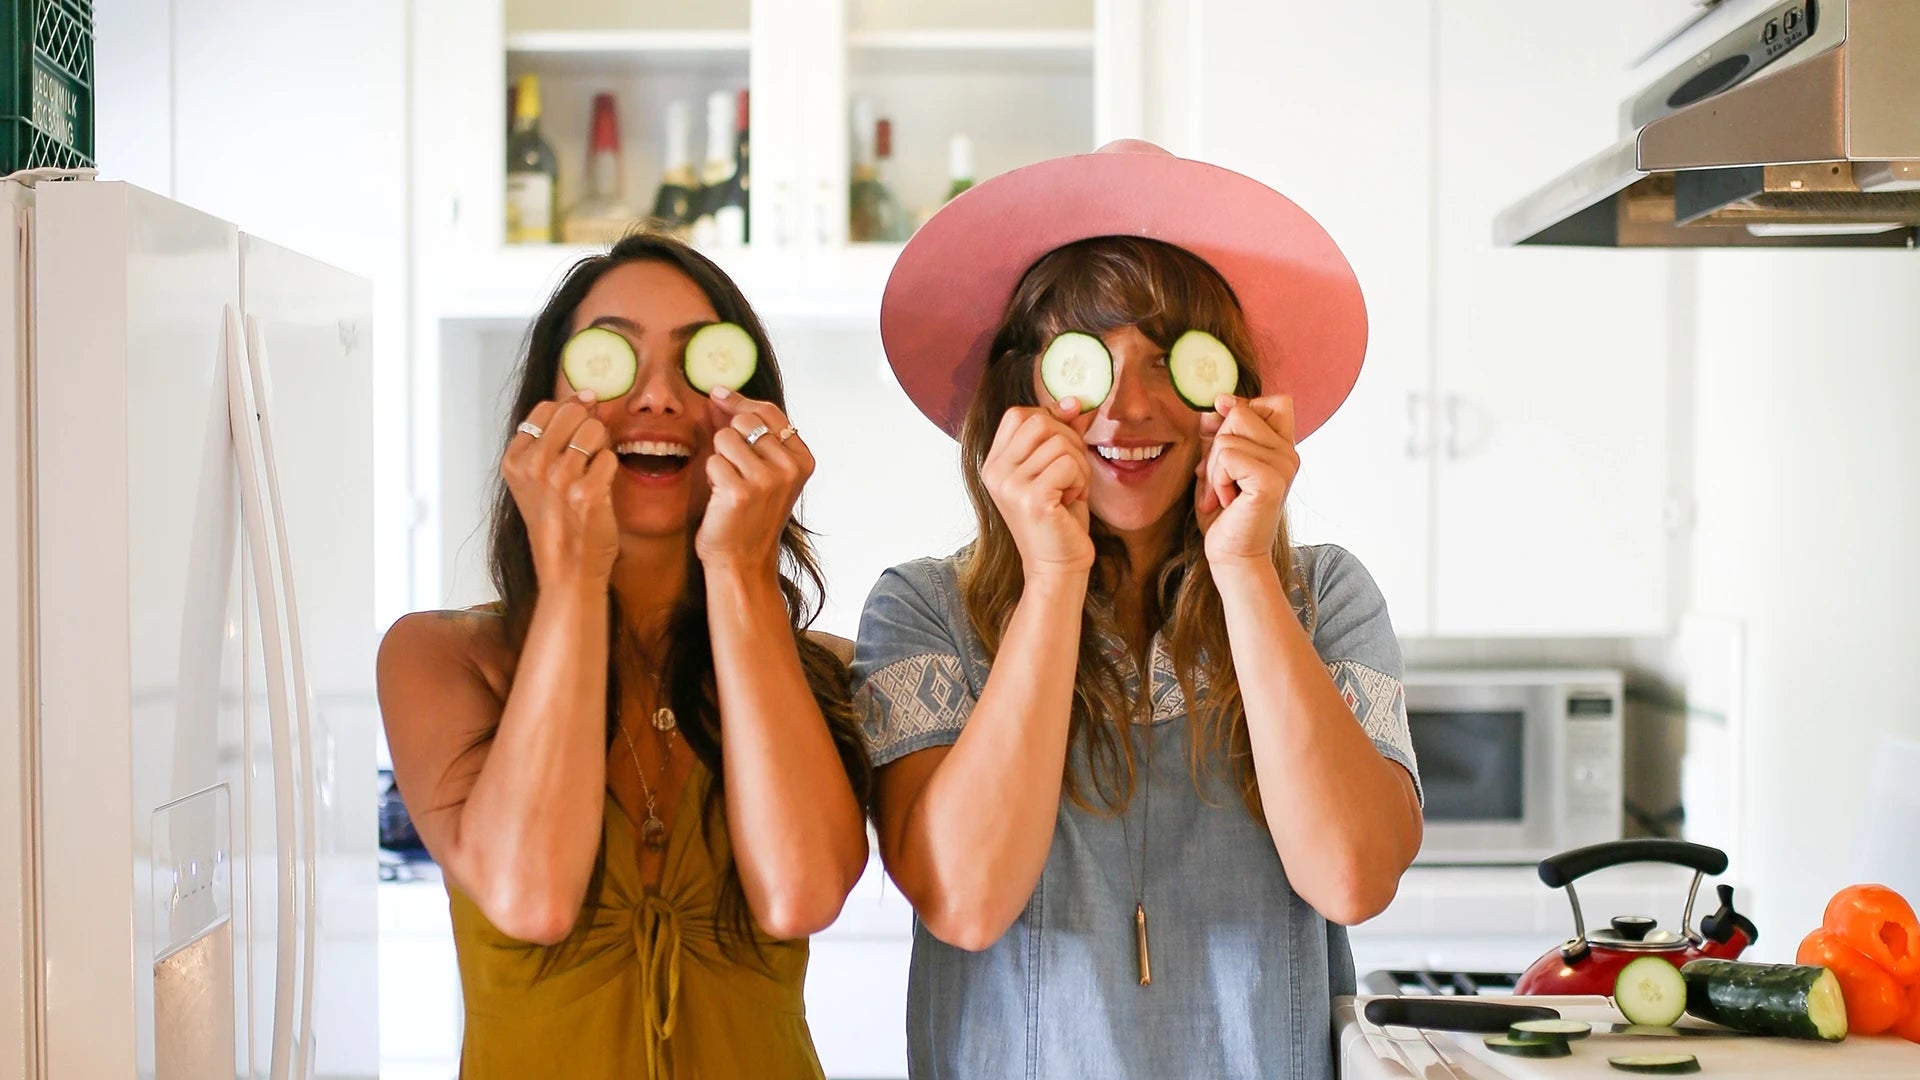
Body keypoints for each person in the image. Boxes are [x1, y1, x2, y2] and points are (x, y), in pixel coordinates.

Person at [854, 140, 1424, 1078]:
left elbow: (1352, 879)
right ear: (1018, 393)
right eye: (1085, 366)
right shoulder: (923, 610)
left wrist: (1242, 567)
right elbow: (965, 901)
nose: (1127, 409)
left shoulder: (1322, 598)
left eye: (1173, 362)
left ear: (1234, 392)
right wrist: (1051, 575)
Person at [377, 231, 871, 1078]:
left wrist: (742, 568)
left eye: (698, 366)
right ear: (544, 407)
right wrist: (572, 572)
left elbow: (802, 893)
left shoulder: (827, 670)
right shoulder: (440, 659)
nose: (657, 398)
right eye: (613, 358)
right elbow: (530, 897)